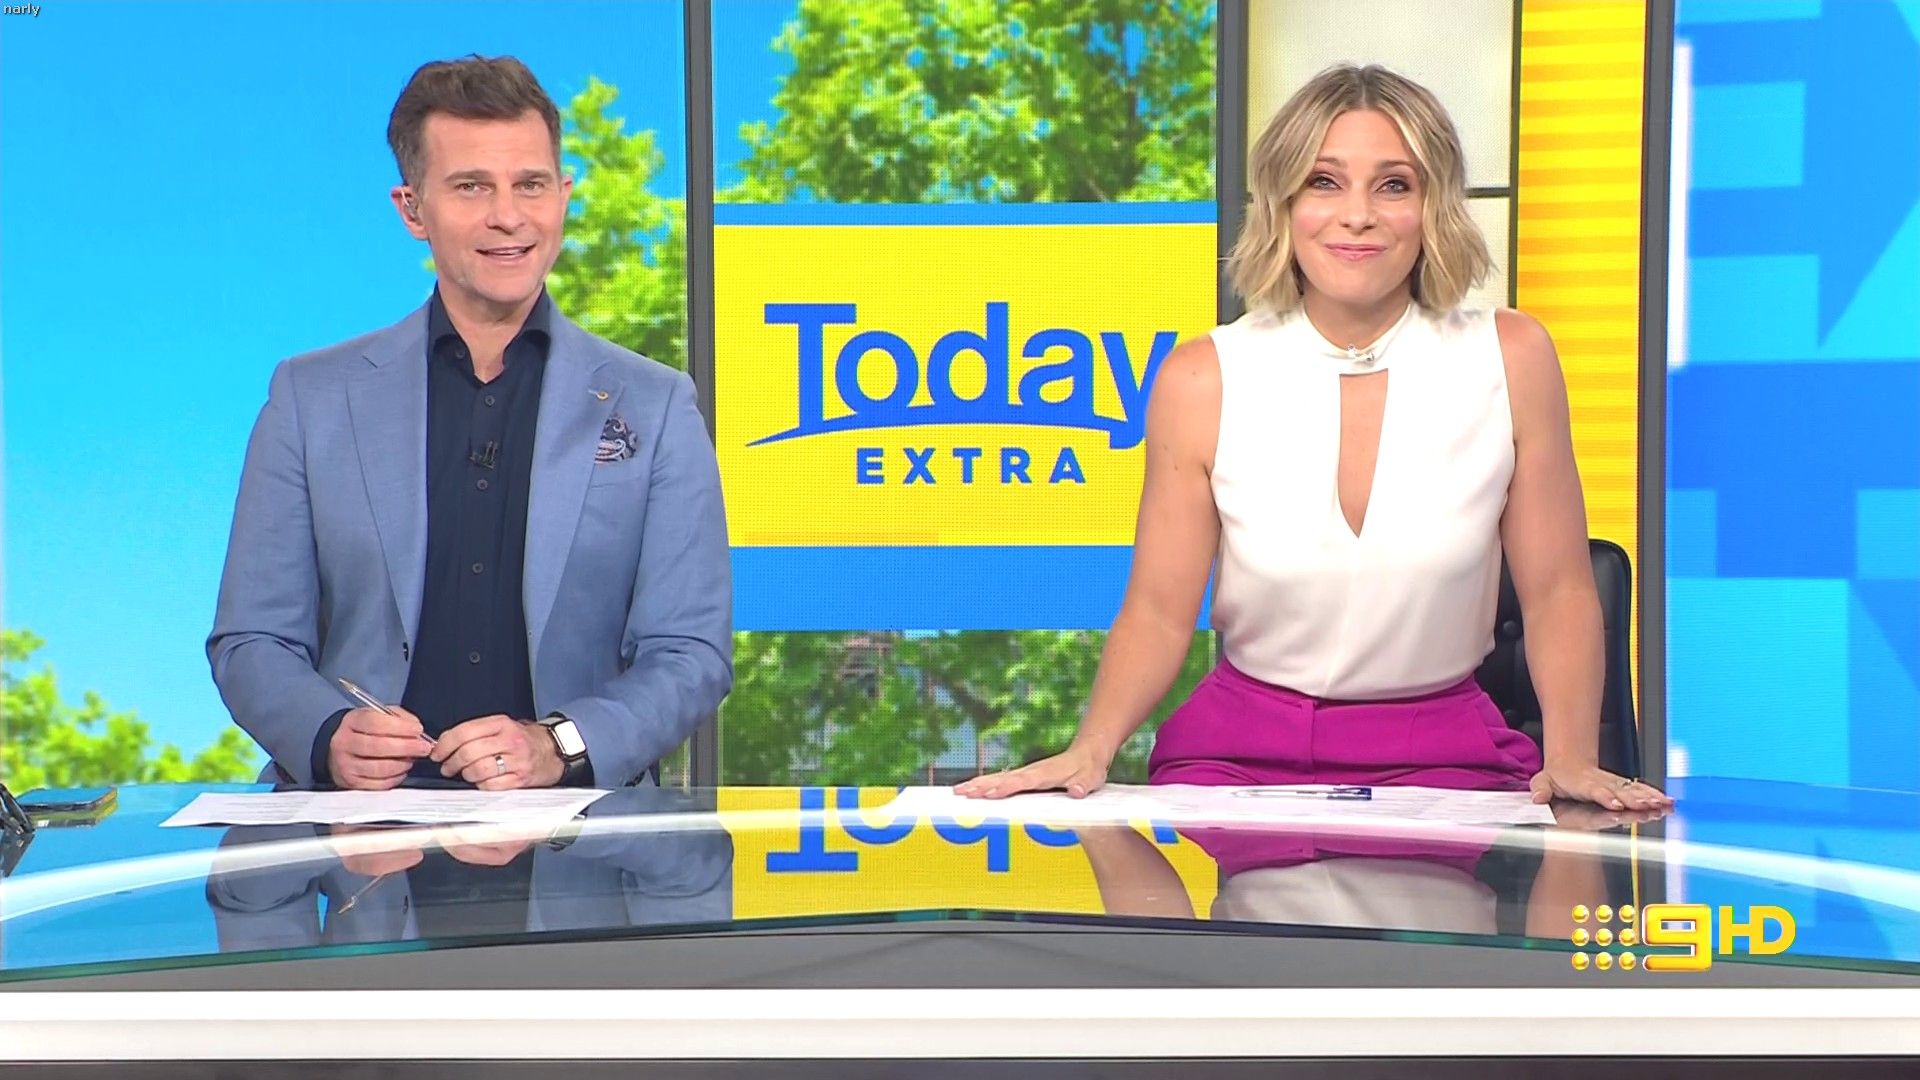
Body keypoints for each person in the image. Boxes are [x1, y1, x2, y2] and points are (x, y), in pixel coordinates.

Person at [959, 64, 1670, 812]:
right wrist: (1091, 747)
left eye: (1393, 185)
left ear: (1433, 207)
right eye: (1324, 182)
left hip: (1445, 752)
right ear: (1284, 203)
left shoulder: (1513, 356)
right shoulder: (1202, 377)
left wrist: (1572, 759)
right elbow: (1159, 611)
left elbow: (1557, 591)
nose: (1357, 216)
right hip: (1237, 748)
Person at [208, 55, 730, 792]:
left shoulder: (658, 404)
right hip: (361, 835)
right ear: (412, 209)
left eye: (531, 185)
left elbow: (690, 654)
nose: (508, 216)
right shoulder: (311, 397)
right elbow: (252, 639)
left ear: (564, 197)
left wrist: (558, 746)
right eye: (471, 187)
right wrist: (328, 735)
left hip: (577, 836)